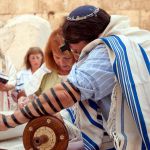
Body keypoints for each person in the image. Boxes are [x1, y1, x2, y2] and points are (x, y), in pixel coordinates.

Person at [0, 5, 150, 150]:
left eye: (76, 51)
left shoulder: (107, 51)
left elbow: (66, 93)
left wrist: (8, 121)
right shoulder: (133, 38)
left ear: (91, 39)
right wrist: (51, 113)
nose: (77, 57)